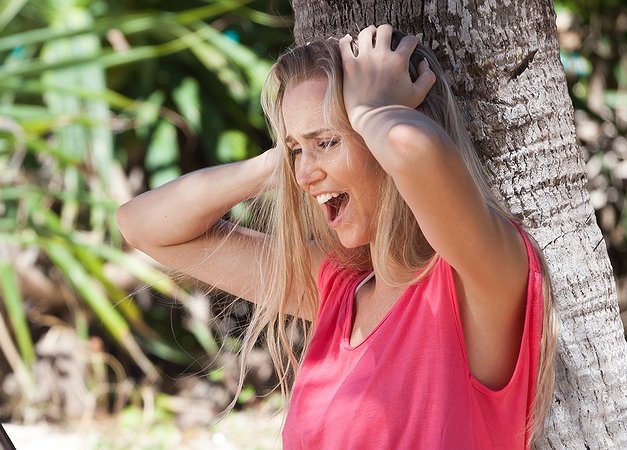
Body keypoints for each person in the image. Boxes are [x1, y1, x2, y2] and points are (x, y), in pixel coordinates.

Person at [115, 25, 557, 448]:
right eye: (296, 150)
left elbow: (413, 151)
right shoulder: (335, 289)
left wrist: (372, 110)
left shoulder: (477, 277)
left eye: (328, 142)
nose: (304, 175)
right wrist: (281, 160)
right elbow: (141, 225)